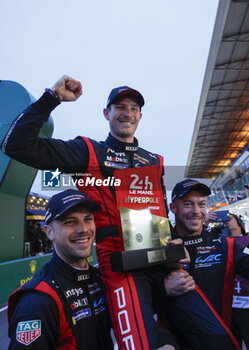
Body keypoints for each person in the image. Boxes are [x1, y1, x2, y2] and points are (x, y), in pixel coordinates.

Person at [2, 76, 180, 349]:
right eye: (120, 106)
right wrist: (51, 98)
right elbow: (14, 145)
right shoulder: (88, 151)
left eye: (133, 108)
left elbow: (161, 213)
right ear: (106, 113)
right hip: (121, 266)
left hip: (159, 257)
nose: (127, 113)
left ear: (141, 116)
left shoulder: (153, 160)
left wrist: (175, 243)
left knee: (201, 333)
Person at [8, 189, 114, 349]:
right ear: (49, 232)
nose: (83, 229)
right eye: (70, 221)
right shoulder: (36, 303)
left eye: (88, 219)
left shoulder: (101, 280)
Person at [163, 179, 249, 349]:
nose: (196, 211)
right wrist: (163, 288)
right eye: (188, 204)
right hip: (175, 344)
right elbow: (138, 293)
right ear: (173, 208)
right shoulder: (161, 247)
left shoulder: (226, 245)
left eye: (201, 204)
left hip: (220, 341)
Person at [226, 214, 249, 349]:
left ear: (238, 222)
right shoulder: (222, 241)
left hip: (246, 301)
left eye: (230, 218)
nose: (227, 222)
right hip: (229, 302)